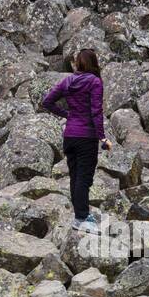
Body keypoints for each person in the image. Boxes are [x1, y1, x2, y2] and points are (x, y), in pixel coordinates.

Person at [39, 49, 111, 234]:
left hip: (69, 136)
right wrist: (102, 136)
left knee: (75, 176)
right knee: (84, 178)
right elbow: (96, 111)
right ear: (94, 63)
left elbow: (47, 101)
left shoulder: (68, 81)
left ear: (78, 63)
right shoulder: (95, 82)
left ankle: (79, 217)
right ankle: (83, 217)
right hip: (86, 137)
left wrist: (67, 115)